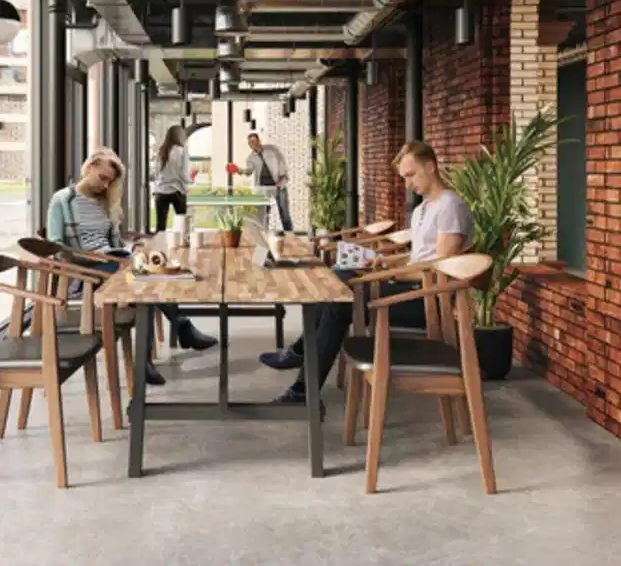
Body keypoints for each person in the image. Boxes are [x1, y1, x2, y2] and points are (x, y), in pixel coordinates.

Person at [261, 141, 473, 405]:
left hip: (427, 300)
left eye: (411, 175)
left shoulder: (450, 206)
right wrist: (386, 263)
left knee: (337, 300)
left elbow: (442, 269)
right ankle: (302, 371)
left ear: (431, 167)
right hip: (409, 288)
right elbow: (420, 257)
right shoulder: (423, 209)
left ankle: (303, 377)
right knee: (335, 285)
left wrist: (396, 273)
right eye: (404, 177)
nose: (407, 184)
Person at [46, 147, 217, 386]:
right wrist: (92, 258)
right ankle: (178, 331)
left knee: (155, 274)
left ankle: (154, 352)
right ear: (90, 166)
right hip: (87, 272)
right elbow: (55, 245)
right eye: (103, 178)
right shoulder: (63, 200)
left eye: (110, 182)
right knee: (148, 282)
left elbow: (113, 242)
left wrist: (132, 248)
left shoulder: (104, 203)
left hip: (114, 263)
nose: (105, 186)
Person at [234, 132, 294, 232]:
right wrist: (241, 171)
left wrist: (282, 176)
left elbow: (281, 161)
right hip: (263, 187)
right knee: (263, 213)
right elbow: (249, 171)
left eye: (253, 141)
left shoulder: (272, 149)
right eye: (249, 143)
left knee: (284, 212)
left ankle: (289, 234)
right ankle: (264, 235)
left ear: (259, 140)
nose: (251, 144)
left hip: (278, 184)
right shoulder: (250, 158)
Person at [153, 125, 192, 231]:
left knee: (160, 225)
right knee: (182, 225)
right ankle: (181, 246)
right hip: (177, 190)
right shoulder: (182, 150)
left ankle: (160, 246)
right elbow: (183, 173)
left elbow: (156, 172)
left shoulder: (161, 150)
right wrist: (191, 181)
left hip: (161, 191)